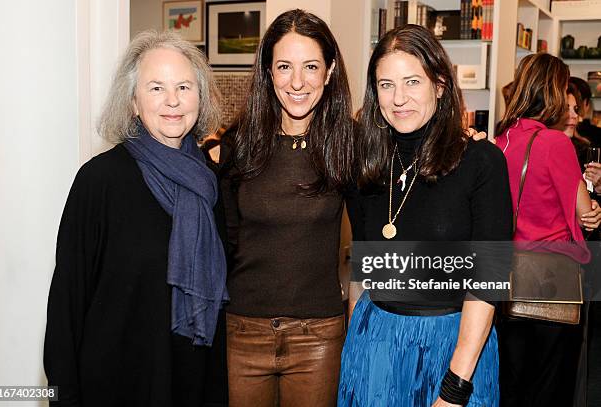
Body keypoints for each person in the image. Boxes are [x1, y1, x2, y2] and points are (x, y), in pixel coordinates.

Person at [43, 30, 229, 407]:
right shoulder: (100, 180)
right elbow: (66, 303)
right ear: (132, 102)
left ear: (200, 96)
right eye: (156, 88)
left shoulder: (209, 185)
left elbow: (219, 309)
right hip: (113, 385)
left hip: (189, 383)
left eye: (184, 87)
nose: (173, 101)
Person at [338, 24, 511, 407]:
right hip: (374, 344)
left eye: (412, 81)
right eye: (386, 85)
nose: (399, 98)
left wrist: (455, 387)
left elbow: (489, 281)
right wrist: (356, 345)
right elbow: (363, 270)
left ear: (440, 85)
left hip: (454, 348)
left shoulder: (481, 161)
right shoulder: (365, 163)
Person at [219, 9, 354, 407]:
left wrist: (462, 142)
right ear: (268, 73)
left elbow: (375, 228)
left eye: (311, 66)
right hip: (242, 332)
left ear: (329, 71)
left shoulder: (348, 144)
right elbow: (225, 238)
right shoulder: (237, 144)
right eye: (284, 67)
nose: (297, 82)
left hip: (320, 337)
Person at [495, 52, 601, 406]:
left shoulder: (501, 141)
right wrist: (592, 204)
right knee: (550, 385)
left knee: (510, 380)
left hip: (507, 278)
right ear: (555, 92)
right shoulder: (556, 143)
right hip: (552, 279)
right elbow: (584, 214)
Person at [564, 83, 591, 168]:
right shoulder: (540, 147)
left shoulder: (583, 150)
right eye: (566, 109)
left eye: (575, 109)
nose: (575, 115)